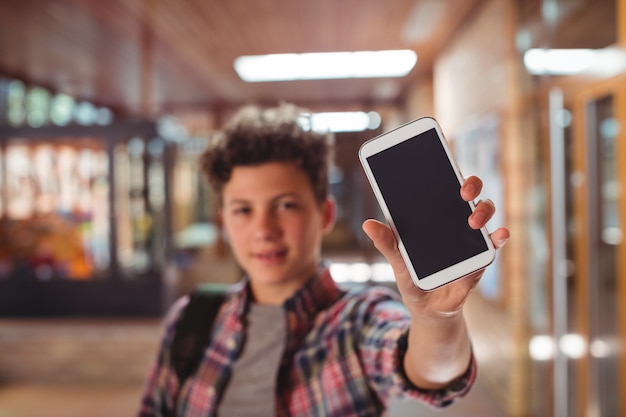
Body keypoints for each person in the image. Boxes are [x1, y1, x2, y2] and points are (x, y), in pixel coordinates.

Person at [138, 103, 510, 417]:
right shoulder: (192, 320)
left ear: (326, 214)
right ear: (223, 221)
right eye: (243, 210)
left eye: (285, 205)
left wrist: (437, 319)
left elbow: (431, 371)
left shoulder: (360, 321)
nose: (263, 229)